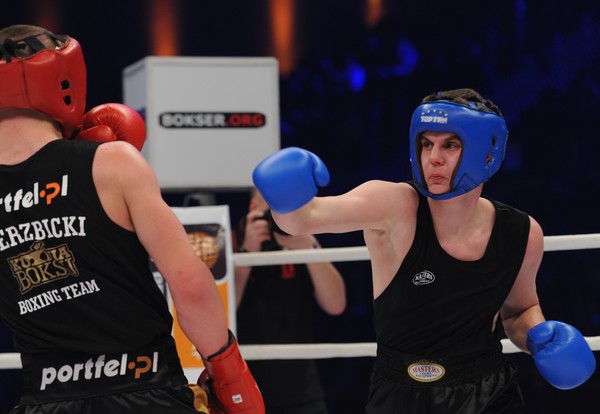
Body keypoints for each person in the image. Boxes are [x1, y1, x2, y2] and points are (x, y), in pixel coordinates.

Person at [252, 88, 596, 413]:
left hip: (489, 393)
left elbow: (520, 310)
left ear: (486, 153)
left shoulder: (521, 232)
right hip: (402, 393)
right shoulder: (394, 206)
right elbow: (302, 220)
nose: (433, 158)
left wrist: (537, 337)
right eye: (426, 144)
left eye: (450, 145)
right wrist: (283, 193)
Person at [0, 24, 264, 413]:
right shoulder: (112, 163)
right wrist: (230, 377)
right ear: (60, 76)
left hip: (46, 398)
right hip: (147, 390)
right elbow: (189, 283)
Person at [233, 188, 346, 413]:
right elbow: (222, 311)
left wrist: (309, 249)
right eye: (273, 208)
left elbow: (336, 305)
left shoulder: (301, 241)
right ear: (254, 208)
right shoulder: (231, 242)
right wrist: (246, 255)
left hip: (301, 388)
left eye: (286, 209)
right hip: (243, 389)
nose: (280, 217)